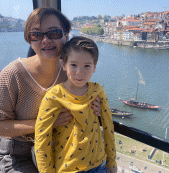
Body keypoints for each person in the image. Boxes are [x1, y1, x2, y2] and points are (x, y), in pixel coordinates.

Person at [0, 7, 101, 173]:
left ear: (66, 35)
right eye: (36, 35)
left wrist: (96, 108)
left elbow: (83, 100)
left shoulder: (72, 71)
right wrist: (45, 123)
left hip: (60, 147)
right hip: (19, 152)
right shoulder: (13, 74)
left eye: (53, 33)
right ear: (30, 40)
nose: (45, 40)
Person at [34, 36, 117, 173]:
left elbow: (108, 127)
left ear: (94, 67)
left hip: (99, 164)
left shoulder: (97, 91)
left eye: (87, 66)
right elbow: (42, 138)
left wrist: (111, 162)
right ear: (64, 65)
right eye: (73, 65)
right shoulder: (54, 96)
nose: (79, 72)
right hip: (68, 168)